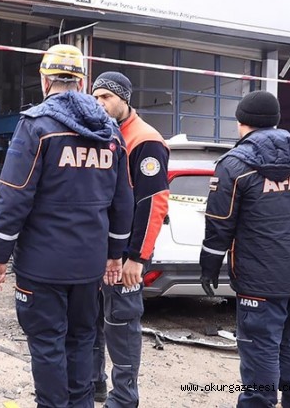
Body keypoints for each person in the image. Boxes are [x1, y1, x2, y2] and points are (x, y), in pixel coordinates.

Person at [0, 44, 134, 408]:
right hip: (89, 266)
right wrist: (115, 254)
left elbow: (14, 195)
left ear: (44, 79)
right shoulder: (110, 131)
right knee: (82, 339)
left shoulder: (37, 125)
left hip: (42, 266)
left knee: (48, 343)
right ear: (82, 81)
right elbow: (122, 201)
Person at [199, 91, 290, 408]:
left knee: (260, 347)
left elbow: (219, 223)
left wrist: (208, 267)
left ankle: (259, 401)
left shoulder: (234, 166)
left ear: (240, 123)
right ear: (277, 121)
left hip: (259, 282)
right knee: (286, 341)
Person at [90, 72, 170, 407]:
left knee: (120, 324)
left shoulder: (144, 140)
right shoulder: (101, 134)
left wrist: (136, 257)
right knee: (90, 320)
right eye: (95, 97)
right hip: (97, 251)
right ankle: (93, 384)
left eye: (106, 97)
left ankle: (123, 399)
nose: (100, 104)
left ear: (125, 98)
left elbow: (153, 203)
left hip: (126, 255)